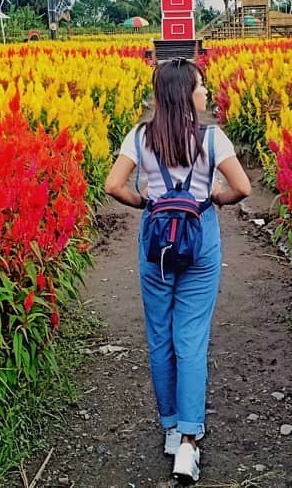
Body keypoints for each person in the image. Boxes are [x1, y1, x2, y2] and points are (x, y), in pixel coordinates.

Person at [105, 58, 251, 484]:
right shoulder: (211, 137)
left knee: (160, 335)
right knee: (191, 337)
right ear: (186, 93)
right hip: (199, 235)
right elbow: (242, 187)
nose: (206, 92)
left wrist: (146, 205)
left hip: (155, 238)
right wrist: (215, 200)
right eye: (201, 86)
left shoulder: (140, 136)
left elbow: (113, 185)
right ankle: (189, 444)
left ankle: (170, 427)